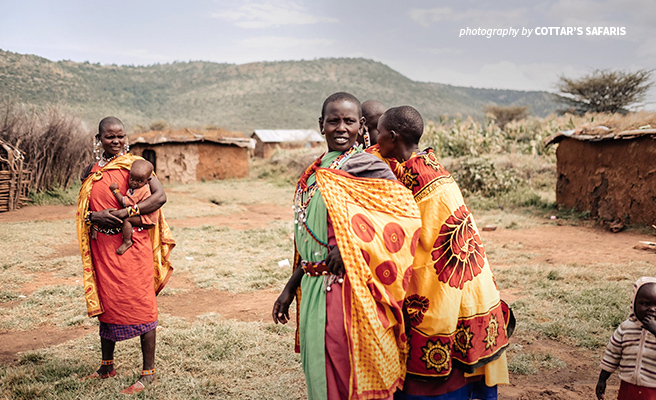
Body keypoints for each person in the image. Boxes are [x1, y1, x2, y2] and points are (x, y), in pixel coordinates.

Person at [272, 93, 421, 400]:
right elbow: (311, 238)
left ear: (361, 125)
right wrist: (290, 288)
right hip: (313, 288)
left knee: (346, 371)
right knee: (318, 371)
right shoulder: (314, 171)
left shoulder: (368, 166)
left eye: (349, 121)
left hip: (348, 291)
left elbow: (403, 217)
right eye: (333, 120)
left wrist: (354, 243)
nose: (341, 128)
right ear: (321, 125)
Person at [376, 106, 514, 400]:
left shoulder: (413, 177)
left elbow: (409, 233)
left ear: (392, 135)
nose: (375, 140)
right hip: (471, 274)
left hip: (443, 276)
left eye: (379, 133)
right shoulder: (429, 163)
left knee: (435, 331)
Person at [76, 116, 175, 394]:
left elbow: (159, 197)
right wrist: (96, 216)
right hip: (102, 249)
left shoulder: (136, 166)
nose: (116, 141)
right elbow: (84, 208)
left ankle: (149, 372)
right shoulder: (92, 170)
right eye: (109, 137)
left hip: (132, 247)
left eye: (120, 136)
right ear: (99, 140)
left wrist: (124, 213)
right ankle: (107, 366)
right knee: (107, 304)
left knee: (141, 303)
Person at [596, 277, 656, 400]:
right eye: (645, 304)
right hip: (628, 387)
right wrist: (602, 379)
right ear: (634, 302)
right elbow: (613, 354)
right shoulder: (626, 328)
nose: (652, 309)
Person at [108, 159, 158, 255]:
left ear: (148, 180)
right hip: (143, 215)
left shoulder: (141, 190)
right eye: (132, 179)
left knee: (127, 220)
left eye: (140, 181)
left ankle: (127, 242)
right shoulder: (138, 187)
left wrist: (115, 191)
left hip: (147, 218)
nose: (135, 183)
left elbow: (125, 202)